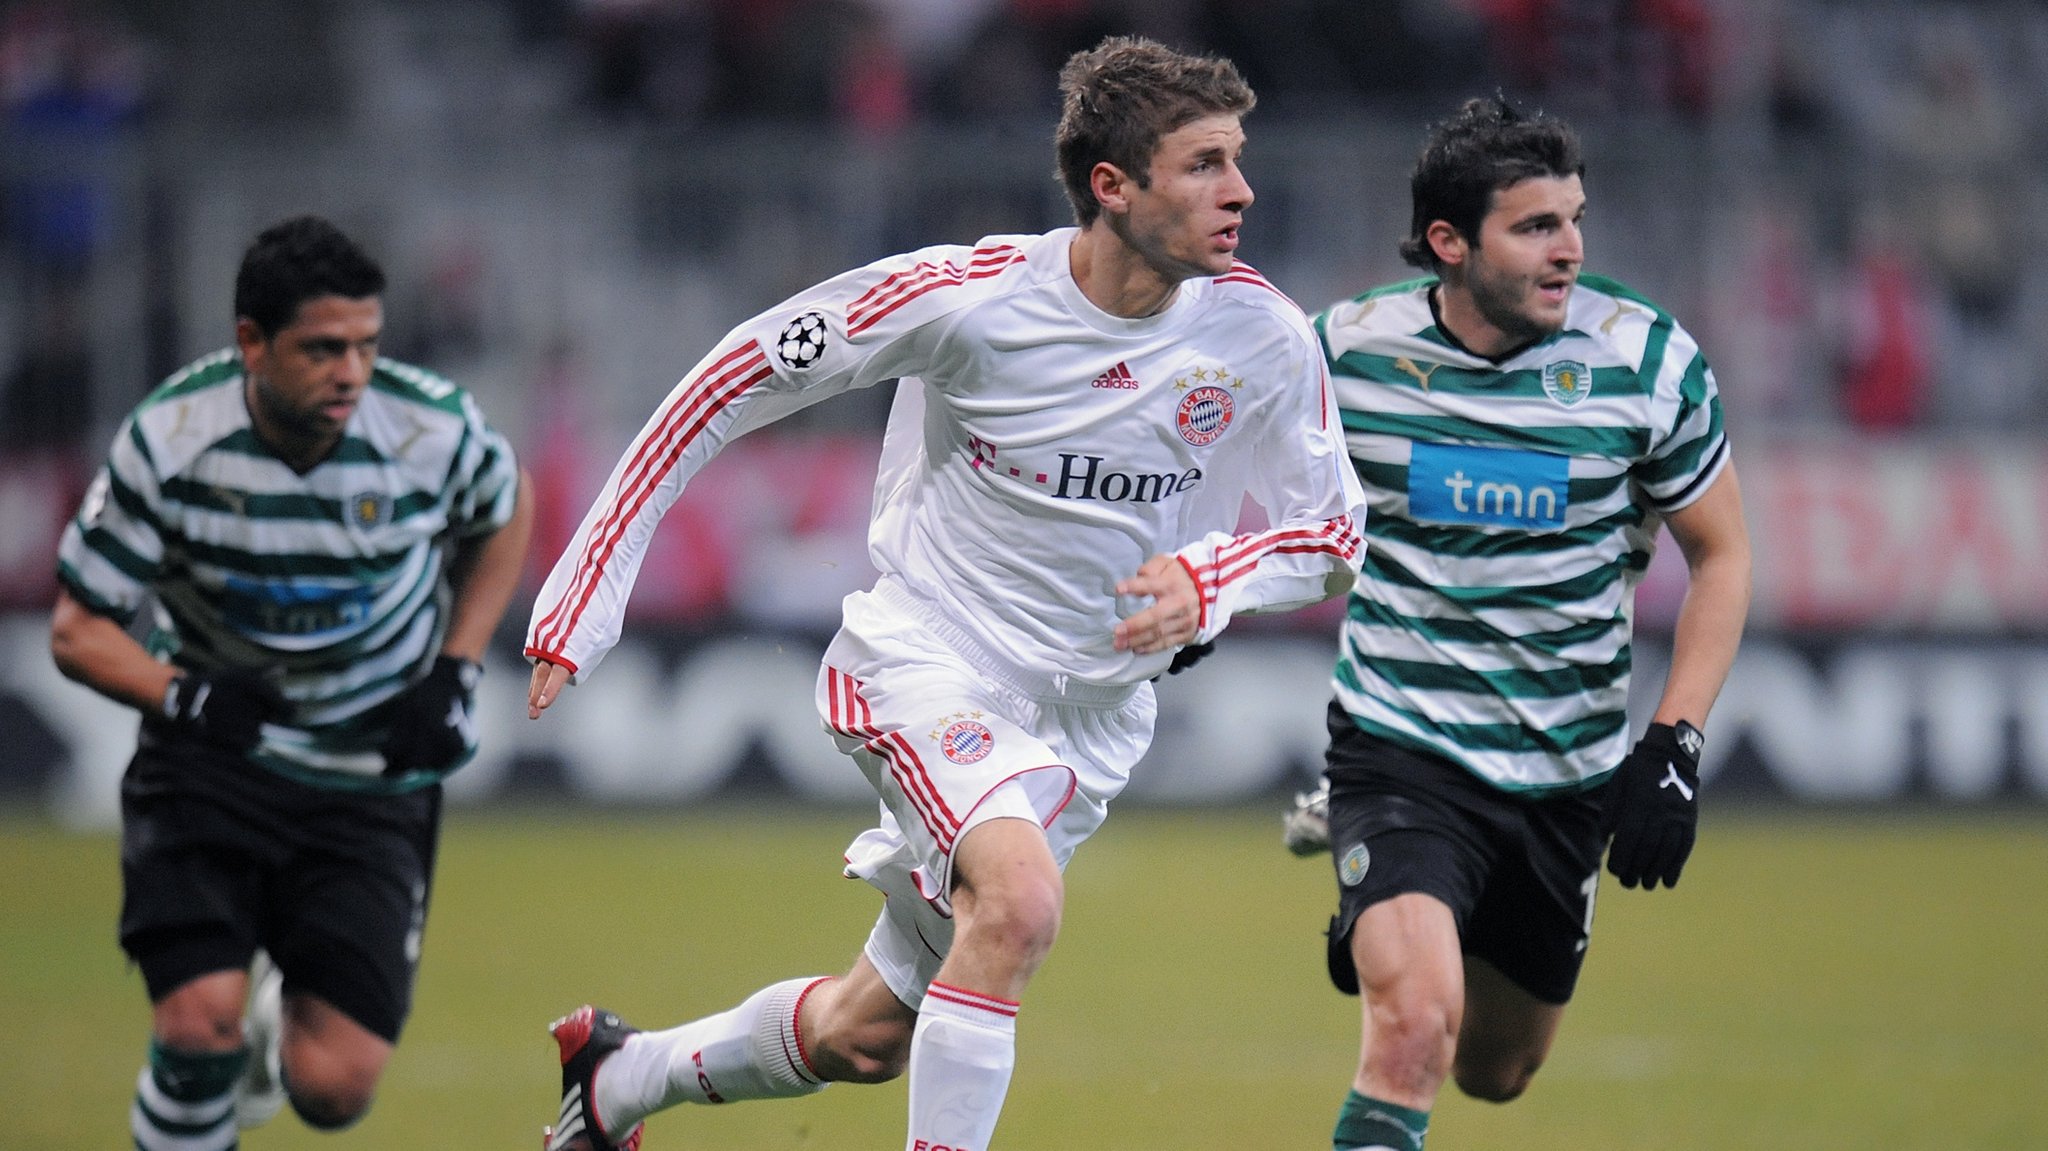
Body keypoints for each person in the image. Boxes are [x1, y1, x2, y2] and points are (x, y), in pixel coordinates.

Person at [523, 35, 1366, 1151]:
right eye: (1205, 163)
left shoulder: (1258, 333)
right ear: (1111, 187)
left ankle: (619, 1077)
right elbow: (735, 373)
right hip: (929, 661)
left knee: (866, 1036)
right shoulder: (968, 300)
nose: (1242, 190)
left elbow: (1336, 534)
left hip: (1090, 721)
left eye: (1237, 158)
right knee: (1016, 905)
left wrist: (1211, 581)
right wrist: (585, 590)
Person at [1291, 96, 1751, 1151]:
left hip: (1563, 770)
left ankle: (1380, 926)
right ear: (1448, 244)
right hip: (1400, 746)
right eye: (1534, 226)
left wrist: (1674, 741)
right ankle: (1390, 916)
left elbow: (1721, 556)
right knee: (1410, 1030)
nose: (1569, 248)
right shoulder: (1342, 356)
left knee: (1495, 1068)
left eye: (1572, 218)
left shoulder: (1647, 362)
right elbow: (1256, 504)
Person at [49, 214, 533, 1151]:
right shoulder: (170, 442)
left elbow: (506, 510)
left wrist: (457, 666)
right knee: (195, 1025)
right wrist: (182, 695)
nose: (350, 370)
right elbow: (78, 627)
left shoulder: (430, 426)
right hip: (215, 762)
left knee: (333, 1089)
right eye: (321, 349)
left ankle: (272, 1040)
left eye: (364, 345)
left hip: (370, 774)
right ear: (251, 344)